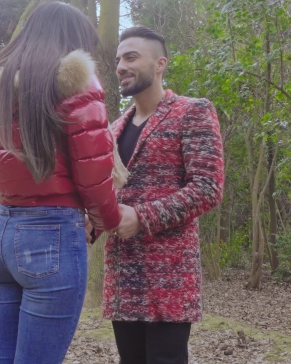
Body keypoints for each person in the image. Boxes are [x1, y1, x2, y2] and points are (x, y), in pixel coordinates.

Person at [0, 2, 126, 364]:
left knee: (4, 358)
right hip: (51, 236)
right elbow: (93, 174)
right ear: (74, 40)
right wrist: (108, 220)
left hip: (3, 232)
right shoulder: (75, 82)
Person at [92, 26, 225, 364]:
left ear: (160, 63)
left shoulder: (192, 111)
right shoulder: (113, 129)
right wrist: (89, 223)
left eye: (131, 57)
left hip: (169, 277)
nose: (121, 65)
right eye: (118, 59)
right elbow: (105, 193)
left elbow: (208, 188)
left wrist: (142, 217)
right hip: (123, 274)